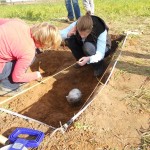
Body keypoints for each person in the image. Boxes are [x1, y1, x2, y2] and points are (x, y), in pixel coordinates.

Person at [0, 18, 61, 96]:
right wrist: (35, 75)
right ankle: (7, 87)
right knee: (28, 59)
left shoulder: (19, 23)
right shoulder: (28, 52)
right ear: (43, 43)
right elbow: (17, 77)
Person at [60, 12, 111, 77]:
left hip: (103, 48)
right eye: (80, 33)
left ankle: (98, 65)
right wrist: (68, 34)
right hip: (87, 44)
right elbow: (60, 33)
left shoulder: (100, 30)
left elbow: (100, 54)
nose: (81, 36)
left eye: (84, 34)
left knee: (87, 47)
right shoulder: (77, 24)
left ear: (90, 30)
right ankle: (82, 61)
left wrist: (89, 58)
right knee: (70, 40)